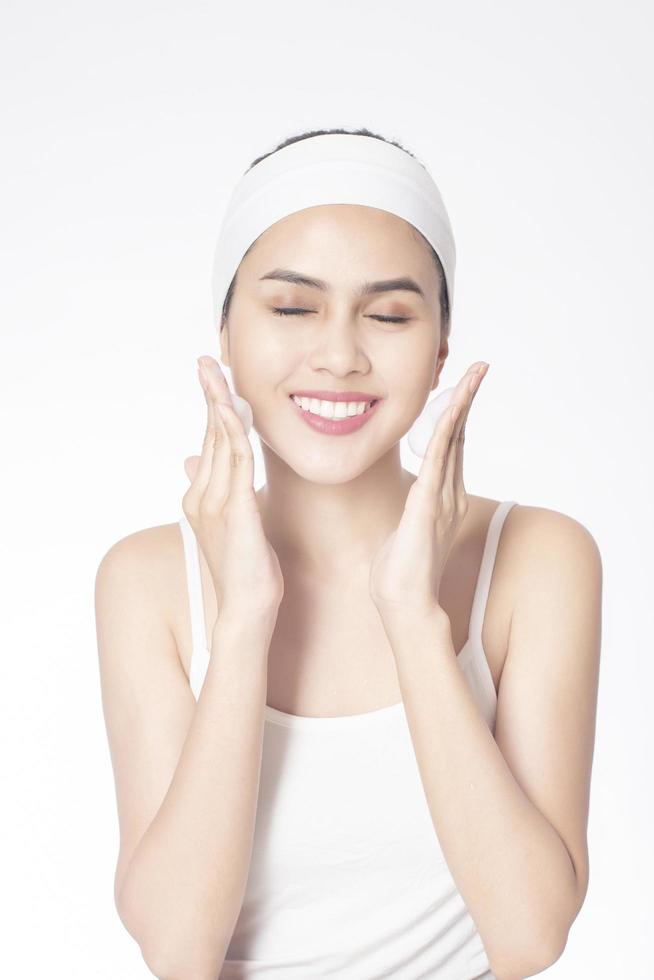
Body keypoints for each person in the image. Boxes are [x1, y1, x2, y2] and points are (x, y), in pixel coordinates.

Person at [95, 127, 602, 980]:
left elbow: (530, 936)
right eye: (293, 307)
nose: (339, 355)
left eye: (390, 314)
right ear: (226, 333)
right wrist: (246, 619)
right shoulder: (148, 583)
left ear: (441, 345)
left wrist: (412, 618)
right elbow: (178, 953)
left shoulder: (540, 559)